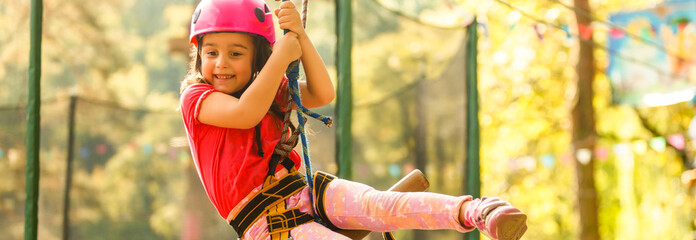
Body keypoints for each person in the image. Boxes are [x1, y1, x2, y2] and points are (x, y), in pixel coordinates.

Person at [179, 0, 528, 239]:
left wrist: (300, 38)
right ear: (199, 56)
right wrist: (283, 53)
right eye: (211, 53)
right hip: (264, 225)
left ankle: (476, 212)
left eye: (235, 53)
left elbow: (321, 93)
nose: (221, 63)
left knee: (380, 205)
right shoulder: (197, 99)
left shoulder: (269, 88)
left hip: (303, 189)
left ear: (257, 57)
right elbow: (245, 114)